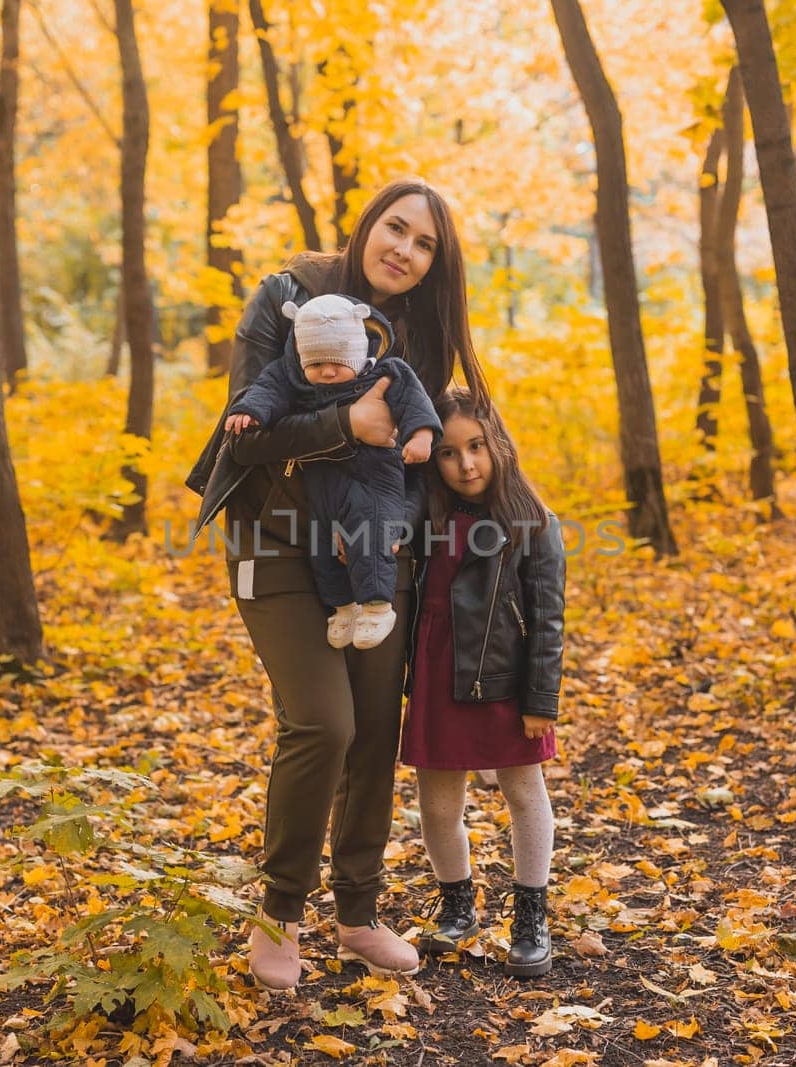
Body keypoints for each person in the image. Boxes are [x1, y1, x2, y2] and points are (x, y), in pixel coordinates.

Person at [185, 177, 490, 992]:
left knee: (371, 735)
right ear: (366, 226)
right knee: (322, 723)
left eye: (425, 243)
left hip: (374, 554)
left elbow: (434, 443)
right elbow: (241, 436)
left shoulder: (419, 332)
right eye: (396, 228)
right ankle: (280, 911)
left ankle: (358, 913)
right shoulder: (287, 298)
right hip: (276, 545)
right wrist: (344, 425)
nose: (406, 249)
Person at [401, 387, 566, 978]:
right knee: (438, 803)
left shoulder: (532, 522)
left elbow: (547, 620)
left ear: (499, 444)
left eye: (476, 447)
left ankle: (531, 914)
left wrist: (540, 700)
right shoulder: (425, 514)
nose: (466, 464)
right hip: (438, 675)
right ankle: (458, 906)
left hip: (503, 678)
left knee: (524, 792)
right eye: (448, 453)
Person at [223, 294, 443, 650]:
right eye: (317, 363)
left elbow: (415, 402)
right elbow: (268, 389)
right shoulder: (294, 375)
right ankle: (343, 608)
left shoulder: (387, 373)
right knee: (321, 545)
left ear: (356, 352)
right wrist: (251, 410)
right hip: (322, 480)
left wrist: (422, 435)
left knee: (370, 534)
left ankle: (377, 606)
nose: (327, 371)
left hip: (374, 476)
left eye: (338, 362)